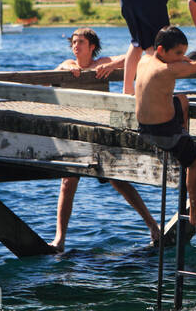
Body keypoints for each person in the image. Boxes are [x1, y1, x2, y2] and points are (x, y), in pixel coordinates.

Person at [48, 28, 162, 251]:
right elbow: (46, 79)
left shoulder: (102, 62)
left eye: (80, 42)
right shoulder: (66, 65)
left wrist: (108, 66)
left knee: (118, 179)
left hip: (101, 130)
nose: (75, 46)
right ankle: (59, 239)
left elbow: (131, 58)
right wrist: (68, 69)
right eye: (73, 42)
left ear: (92, 46)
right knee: (67, 183)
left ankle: (152, 226)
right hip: (74, 132)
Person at [136, 26, 196, 226]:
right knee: (194, 161)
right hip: (163, 132)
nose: (181, 57)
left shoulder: (145, 60)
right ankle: (194, 211)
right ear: (161, 50)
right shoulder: (166, 69)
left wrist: (181, 58)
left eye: (183, 53)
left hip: (144, 127)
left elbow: (179, 61)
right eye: (177, 53)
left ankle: (183, 133)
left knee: (182, 100)